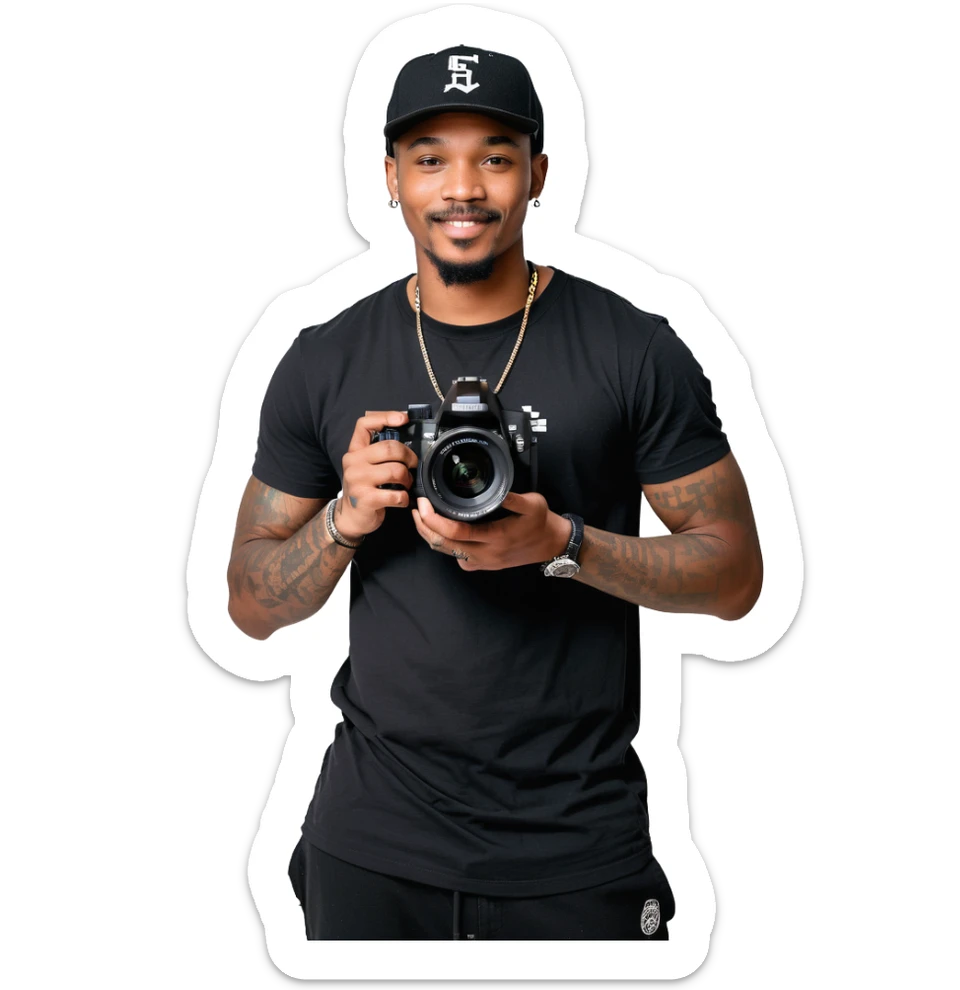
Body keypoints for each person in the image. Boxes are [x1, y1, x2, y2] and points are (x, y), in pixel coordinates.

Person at [226, 44, 763, 941]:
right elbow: (248, 607)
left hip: (577, 843)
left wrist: (564, 544)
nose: (462, 187)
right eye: (431, 158)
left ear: (539, 173)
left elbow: (736, 579)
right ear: (390, 177)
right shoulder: (323, 357)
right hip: (373, 839)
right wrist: (345, 518)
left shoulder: (635, 348)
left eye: (496, 157)